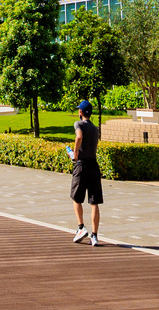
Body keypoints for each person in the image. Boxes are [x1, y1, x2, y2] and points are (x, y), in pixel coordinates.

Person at [68, 100, 103, 245]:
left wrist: (75, 153)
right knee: (94, 202)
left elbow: (79, 136)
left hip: (81, 165)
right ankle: (94, 235)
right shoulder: (95, 129)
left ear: (81, 112)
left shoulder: (79, 124)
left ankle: (81, 227)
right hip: (94, 166)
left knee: (76, 198)